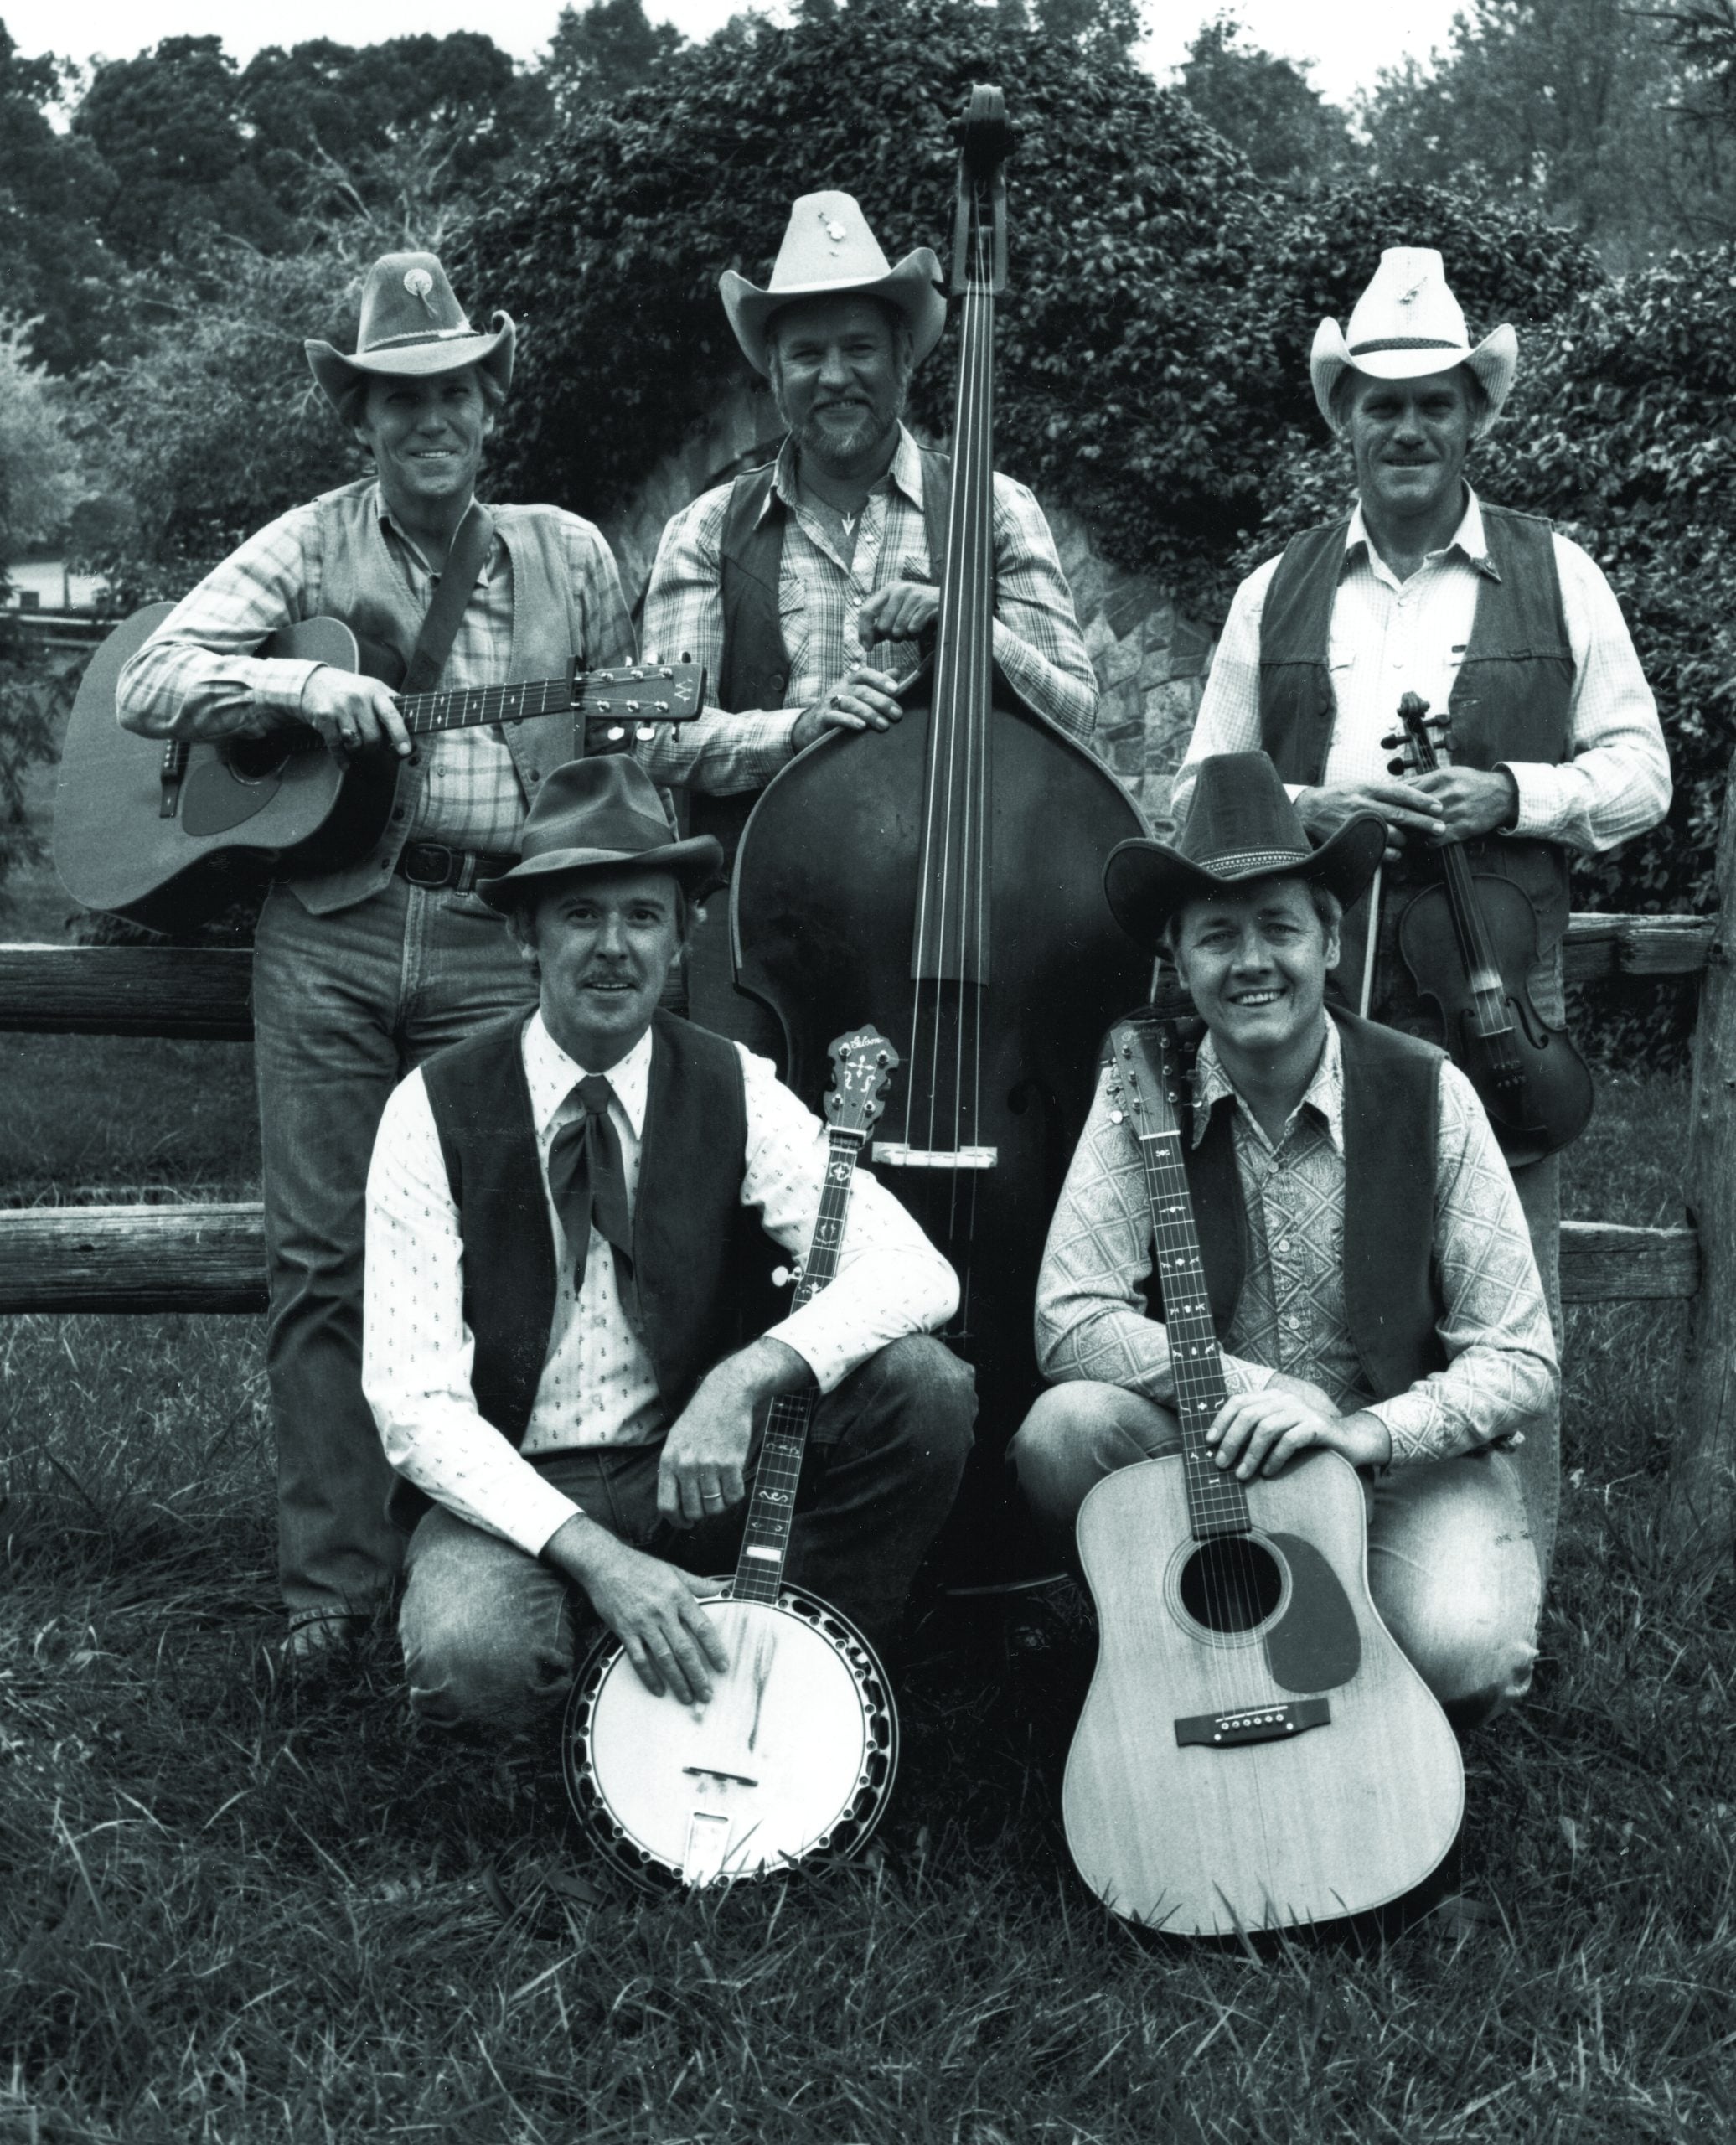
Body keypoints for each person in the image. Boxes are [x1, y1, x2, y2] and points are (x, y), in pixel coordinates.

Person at [116, 251, 637, 1659]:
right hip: (330, 939)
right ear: (361, 414)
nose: (430, 418)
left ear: (488, 404)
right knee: (322, 1263)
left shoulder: (571, 556)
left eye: (454, 390)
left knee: (510, 1260)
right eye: (399, 394)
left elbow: (620, 748)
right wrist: (299, 683)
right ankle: (331, 1601)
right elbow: (148, 679)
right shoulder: (303, 542)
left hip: (493, 936)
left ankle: (483, 1577)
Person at [1172, 246, 1670, 1572]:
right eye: (1380, 402)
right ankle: (1335, 1574)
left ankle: (1509, 1596)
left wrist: (1508, 793)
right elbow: (1196, 792)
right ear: (1344, 419)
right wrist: (1312, 812)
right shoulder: (1266, 590)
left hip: (1494, 994)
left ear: (1474, 416)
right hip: (1315, 1001)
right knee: (1326, 1292)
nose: (1407, 425)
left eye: (1434, 400)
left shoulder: (1556, 572)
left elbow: (1641, 775)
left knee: (1511, 1300)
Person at [361, 754, 976, 1725]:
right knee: (471, 1657)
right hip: (510, 1488)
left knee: (924, 1385)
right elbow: (415, 1408)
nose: (613, 947)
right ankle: (626, 1646)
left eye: (642, 916)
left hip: (690, 1466)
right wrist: (598, 1560)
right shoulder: (431, 1109)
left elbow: (914, 1268)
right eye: (580, 915)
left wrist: (744, 1379)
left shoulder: (734, 1084)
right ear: (524, 935)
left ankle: (805, 1669)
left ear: (682, 933)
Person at [1010, 752, 1558, 1731]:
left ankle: (1381, 1698)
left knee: (1463, 1642)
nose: (1250, 961)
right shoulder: (1142, 1084)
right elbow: (1067, 1316)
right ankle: (1173, 1633)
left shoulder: (1427, 1089)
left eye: (1277, 927)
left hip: (1394, 1465)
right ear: (1180, 960)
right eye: (1216, 936)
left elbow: (1517, 1356)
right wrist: (1258, 1391)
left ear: (1331, 940)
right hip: (1210, 1462)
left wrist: (1354, 1430)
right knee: (1060, 1432)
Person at [637, 189, 1099, 1052]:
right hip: (762, 932)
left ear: (903, 361)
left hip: (960, 920)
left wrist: (965, 628)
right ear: (772, 377)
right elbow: (655, 739)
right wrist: (794, 730)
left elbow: (1076, 710)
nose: (835, 376)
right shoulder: (702, 528)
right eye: (806, 354)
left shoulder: (993, 509)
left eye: (859, 349)